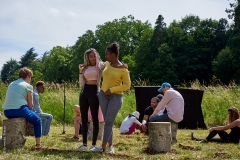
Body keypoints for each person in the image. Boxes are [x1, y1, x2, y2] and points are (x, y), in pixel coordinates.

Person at [91, 42, 131, 153]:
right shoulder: (107, 64)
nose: (106, 56)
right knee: (108, 121)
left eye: (107, 54)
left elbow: (127, 85)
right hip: (103, 95)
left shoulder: (123, 70)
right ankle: (110, 146)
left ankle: (103, 147)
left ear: (113, 55)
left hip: (116, 97)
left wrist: (112, 90)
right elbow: (97, 65)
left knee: (108, 121)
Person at [2, 67, 42, 149]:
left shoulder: (11, 84)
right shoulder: (28, 86)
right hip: (20, 110)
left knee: (27, 113)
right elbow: (31, 105)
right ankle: (38, 145)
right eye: (30, 77)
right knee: (37, 120)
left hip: (7, 112)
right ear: (27, 76)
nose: (30, 80)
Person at [77, 48, 104, 151]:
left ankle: (93, 145)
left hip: (94, 91)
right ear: (87, 58)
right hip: (85, 92)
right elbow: (81, 84)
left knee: (95, 119)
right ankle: (84, 144)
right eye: (90, 57)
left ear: (96, 55)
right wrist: (80, 72)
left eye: (94, 56)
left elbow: (110, 65)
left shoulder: (100, 65)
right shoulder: (85, 67)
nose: (93, 58)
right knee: (84, 118)